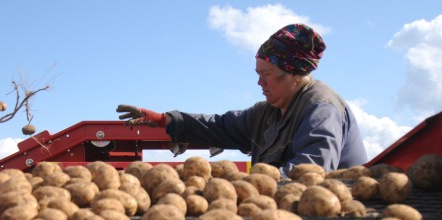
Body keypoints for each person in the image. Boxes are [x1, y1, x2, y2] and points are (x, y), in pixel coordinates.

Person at [117, 23, 367, 178]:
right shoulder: (267, 113)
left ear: (294, 74)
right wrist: (164, 119)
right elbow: (218, 126)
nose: (260, 83)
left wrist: (247, 185)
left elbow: (311, 171)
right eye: (258, 74)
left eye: (266, 75)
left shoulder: (320, 108)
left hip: (334, 214)